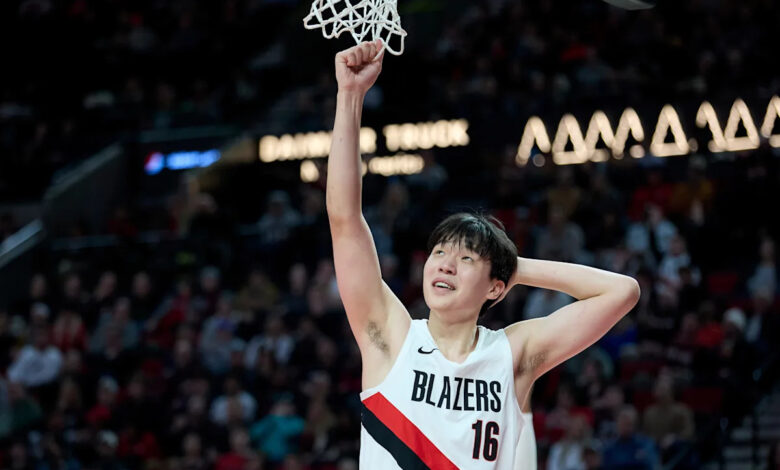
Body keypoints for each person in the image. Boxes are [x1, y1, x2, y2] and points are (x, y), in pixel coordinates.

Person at [327, 40, 640, 469]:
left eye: (467, 259)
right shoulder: (391, 336)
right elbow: (344, 218)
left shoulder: (512, 355)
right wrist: (349, 96)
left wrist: (515, 267)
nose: (445, 263)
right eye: (440, 251)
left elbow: (622, 291)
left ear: (495, 287)